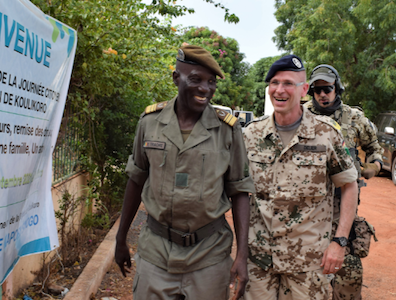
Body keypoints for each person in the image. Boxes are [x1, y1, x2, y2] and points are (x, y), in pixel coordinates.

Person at [114, 44, 255, 300]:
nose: (205, 88)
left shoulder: (227, 131)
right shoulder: (150, 123)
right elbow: (136, 180)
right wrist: (120, 238)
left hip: (209, 256)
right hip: (156, 252)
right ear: (176, 78)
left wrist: (242, 256)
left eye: (211, 82)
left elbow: (240, 191)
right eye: (195, 79)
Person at [242, 55, 359, 299]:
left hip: (309, 262)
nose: (279, 90)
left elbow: (349, 186)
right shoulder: (251, 135)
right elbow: (237, 191)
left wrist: (340, 241)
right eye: (274, 83)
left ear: (304, 90)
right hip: (259, 261)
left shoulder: (326, 134)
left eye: (288, 83)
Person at [303, 64, 384, 300]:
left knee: (347, 273)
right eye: (317, 90)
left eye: (327, 88)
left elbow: (374, 149)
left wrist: (372, 167)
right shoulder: (302, 116)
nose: (322, 94)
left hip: (343, 208)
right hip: (308, 209)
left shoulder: (355, 118)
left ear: (337, 89)